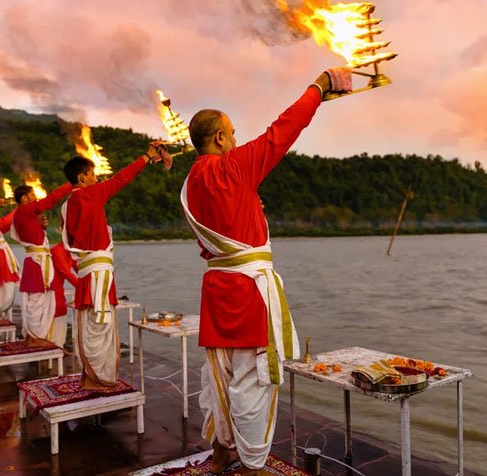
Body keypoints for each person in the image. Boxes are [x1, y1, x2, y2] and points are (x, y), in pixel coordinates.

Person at [180, 68, 352, 474]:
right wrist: (319, 87)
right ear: (220, 138)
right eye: (233, 133)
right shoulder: (233, 167)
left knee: (219, 375)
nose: (237, 140)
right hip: (247, 294)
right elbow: (283, 130)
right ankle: (255, 465)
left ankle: (222, 452)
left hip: (216, 289)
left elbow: (213, 240)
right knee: (254, 380)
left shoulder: (189, 183)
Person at [61, 141, 170, 390]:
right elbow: (121, 179)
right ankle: (97, 379)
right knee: (100, 324)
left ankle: (90, 376)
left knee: (90, 325)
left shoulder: (67, 204)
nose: (97, 177)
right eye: (92, 174)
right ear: (82, 177)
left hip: (89, 273)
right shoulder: (89, 195)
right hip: (98, 274)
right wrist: (146, 157)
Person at [11, 182, 72, 347]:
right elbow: (51, 199)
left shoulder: (23, 213)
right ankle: (34, 338)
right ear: (24, 198)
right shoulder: (24, 210)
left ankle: (33, 336)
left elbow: (33, 235)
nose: (35, 198)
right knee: (37, 301)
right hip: (37, 262)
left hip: (36, 260)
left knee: (37, 300)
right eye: (32, 195)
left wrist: (41, 227)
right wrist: (70, 185)